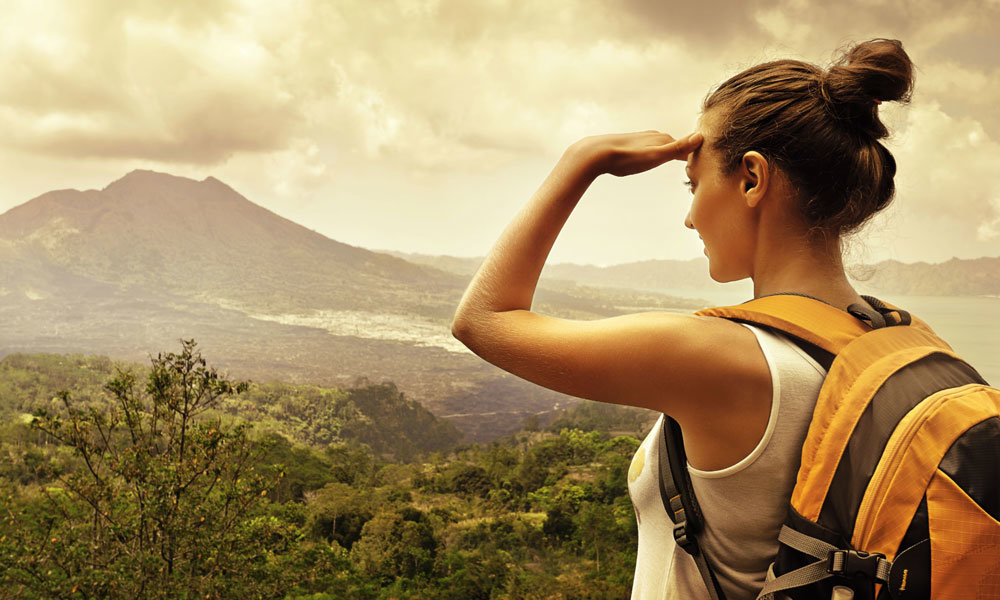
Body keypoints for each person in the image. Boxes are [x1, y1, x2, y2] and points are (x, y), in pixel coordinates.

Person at [451, 38, 915, 600]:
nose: (690, 216)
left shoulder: (723, 356)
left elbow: (482, 319)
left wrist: (581, 161)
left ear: (752, 179)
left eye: (693, 185)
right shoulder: (893, 339)